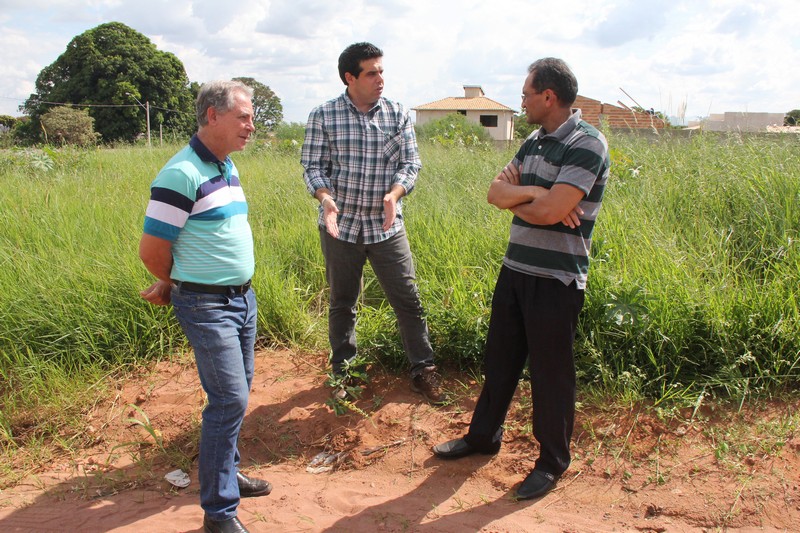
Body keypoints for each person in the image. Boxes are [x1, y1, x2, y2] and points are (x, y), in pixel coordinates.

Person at [432, 58, 610, 500]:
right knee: (500, 362)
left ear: (548, 96)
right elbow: (496, 193)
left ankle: (551, 462)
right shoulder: (533, 140)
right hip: (516, 270)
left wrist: (533, 200)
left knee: (551, 376)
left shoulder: (588, 144)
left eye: (527, 93)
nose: (522, 101)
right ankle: (482, 438)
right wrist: (534, 193)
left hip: (556, 278)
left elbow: (552, 213)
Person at [139, 80, 271, 533]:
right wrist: (172, 280)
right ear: (212, 116)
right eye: (244, 117)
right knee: (228, 399)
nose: (252, 126)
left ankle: (228, 474)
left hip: (241, 299)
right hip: (207, 304)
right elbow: (152, 249)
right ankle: (219, 513)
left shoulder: (226, 165)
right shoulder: (181, 174)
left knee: (239, 394)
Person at [300, 42, 444, 405]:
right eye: (371, 72)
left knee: (408, 299)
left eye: (382, 71)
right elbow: (312, 166)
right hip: (340, 228)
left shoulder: (396, 114)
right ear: (350, 77)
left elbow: (410, 164)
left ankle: (423, 370)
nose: (381, 78)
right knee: (343, 302)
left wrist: (394, 195)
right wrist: (325, 198)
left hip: (386, 227)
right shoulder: (324, 115)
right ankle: (345, 373)